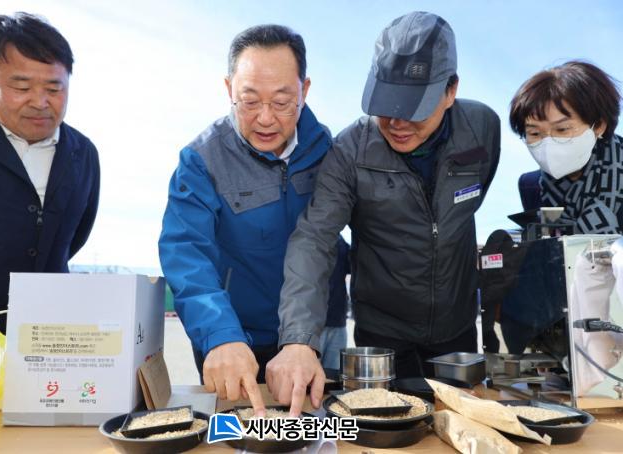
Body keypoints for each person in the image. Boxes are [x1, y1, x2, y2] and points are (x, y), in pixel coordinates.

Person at [266, 12, 501, 415]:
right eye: (385, 105)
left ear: (450, 91)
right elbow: (314, 239)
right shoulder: (349, 152)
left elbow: (468, 206)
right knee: (387, 428)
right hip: (383, 337)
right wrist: (299, 340)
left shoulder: (482, 129)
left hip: (457, 332)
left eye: (414, 108)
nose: (396, 122)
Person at [158, 24, 334, 414]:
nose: (265, 119)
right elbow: (187, 254)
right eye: (249, 101)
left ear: (304, 90)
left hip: (310, 336)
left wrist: (304, 339)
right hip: (235, 339)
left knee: (318, 430)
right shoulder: (201, 160)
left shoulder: (327, 150)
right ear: (229, 89)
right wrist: (219, 335)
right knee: (236, 433)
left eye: (282, 102)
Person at [0, 13, 100, 333]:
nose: (40, 102)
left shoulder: (83, 153)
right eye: (21, 86)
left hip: (45, 336)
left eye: (54, 88)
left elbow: (74, 236)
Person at [509, 61, 623, 394]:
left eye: (562, 129)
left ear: (598, 125)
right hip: (563, 348)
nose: (548, 144)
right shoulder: (531, 186)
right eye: (535, 133)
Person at [319, 238, 351, 371]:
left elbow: (352, 265)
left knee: (335, 377)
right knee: (306, 378)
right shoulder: (301, 236)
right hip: (310, 326)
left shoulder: (340, 241)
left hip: (338, 322)